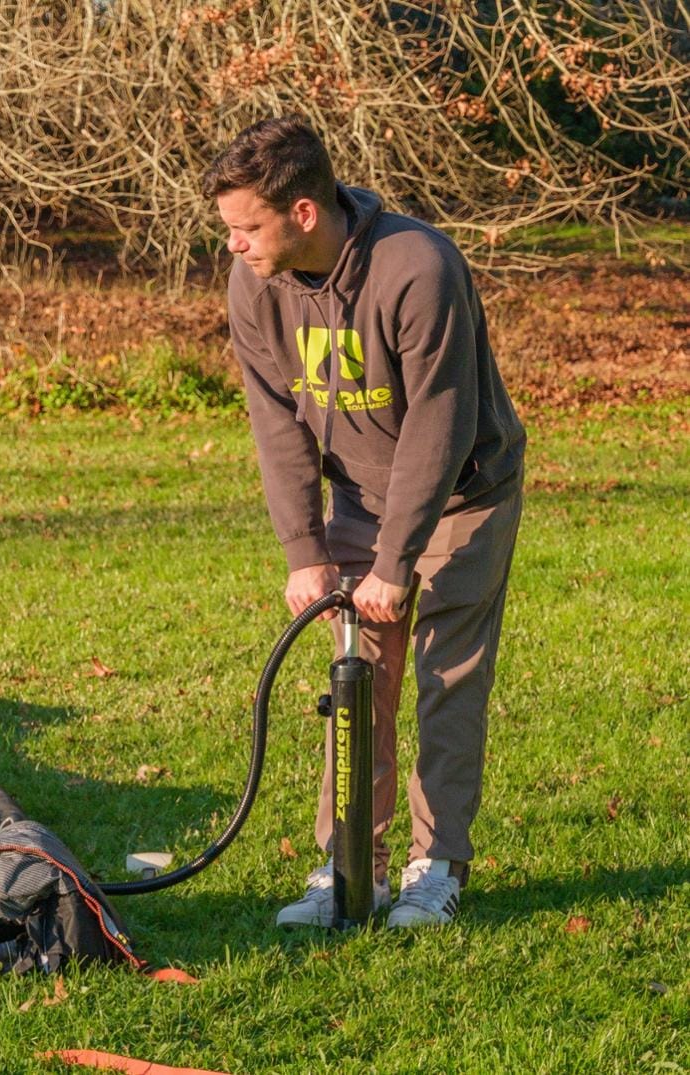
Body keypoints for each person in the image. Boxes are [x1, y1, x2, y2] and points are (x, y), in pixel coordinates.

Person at [202, 116, 526, 928]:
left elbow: (439, 426)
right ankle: (351, 866)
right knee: (358, 677)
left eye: (245, 227)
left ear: (302, 212)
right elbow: (275, 423)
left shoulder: (418, 267)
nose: (234, 245)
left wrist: (395, 561)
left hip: (463, 492)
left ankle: (437, 864)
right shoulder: (255, 283)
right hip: (357, 496)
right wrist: (303, 551)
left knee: (444, 674)